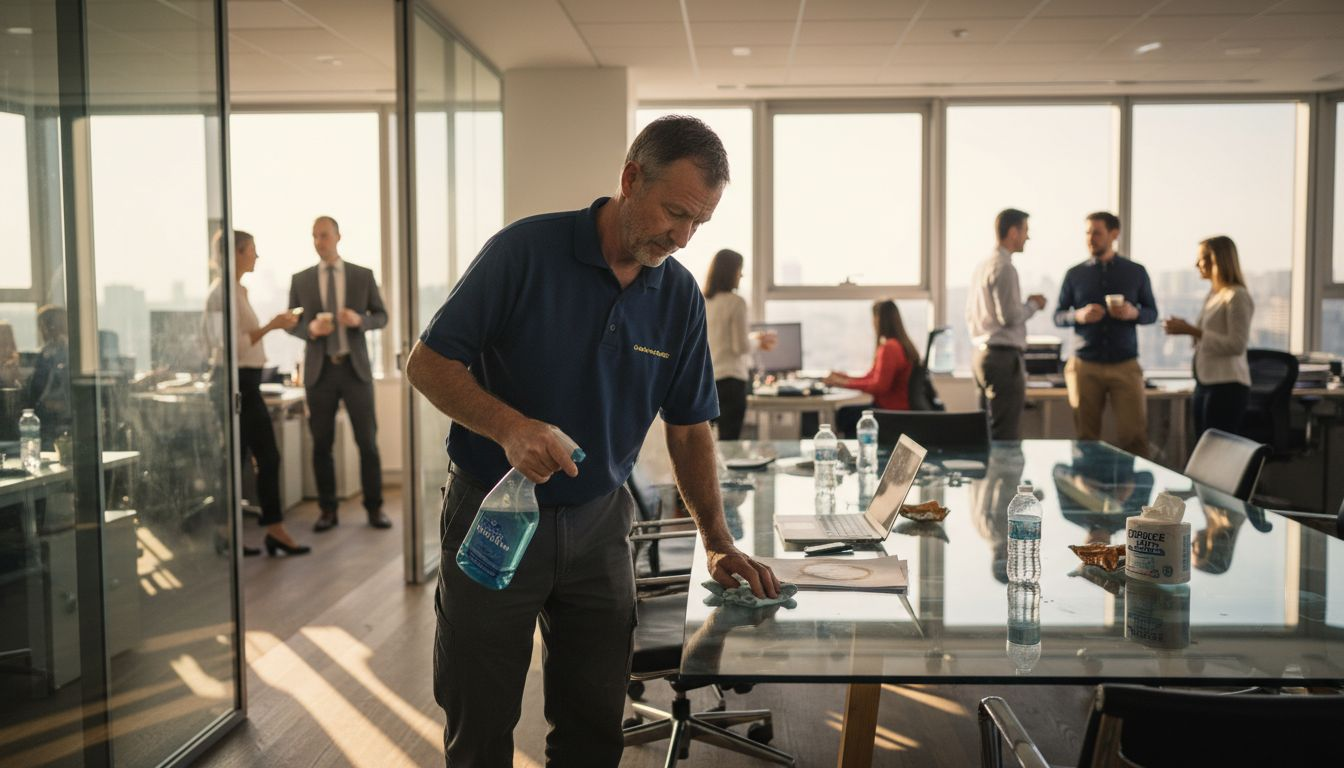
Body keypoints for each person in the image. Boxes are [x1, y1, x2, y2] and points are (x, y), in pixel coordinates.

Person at [404, 115, 780, 767]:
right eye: (674, 213)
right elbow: (427, 362)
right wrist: (508, 427)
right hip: (493, 515)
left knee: (593, 726)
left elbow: (690, 427)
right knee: (480, 719)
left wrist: (717, 543)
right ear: (631, 179)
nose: (683, 237)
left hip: (602, 527)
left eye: (700, 224)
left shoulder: (680, 297)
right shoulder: (523, 251)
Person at [209, 230, 310, 557]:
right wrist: (272, 325)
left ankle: (268, 529)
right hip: (233, 382)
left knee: (261, 457)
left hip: (248, 383)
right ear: (236, 254)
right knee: (244, 459)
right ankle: (244, 531)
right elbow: (228, 346)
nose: (256, 256)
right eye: (251, 250)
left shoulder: (238, 292)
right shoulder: (219, 295)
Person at [287, 216, 389, 532]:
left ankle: (374, 509)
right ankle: (327, 510)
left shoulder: (362, 275)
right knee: (321, 444)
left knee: (367, 443)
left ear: (338, 237)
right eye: (315, 236)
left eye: (325, 236)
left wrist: (360, 320)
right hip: (319, 372)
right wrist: (310, 330)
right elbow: (293, 324)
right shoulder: (300, 279)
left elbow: (382, 316)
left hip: (354, 369)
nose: (320, 242)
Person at [1054, 212, 1158, 457]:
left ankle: (1134, 496)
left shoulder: (1136, 272)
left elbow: (1152, 313)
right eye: (1088, 233)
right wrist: (1079, 316)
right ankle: (1088, 493)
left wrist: (1133, 313)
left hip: (1125, 365)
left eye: (1097, 232)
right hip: (1084, 366)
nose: (1091, 238)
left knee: (1134, 437)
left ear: (1114, 234)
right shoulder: (1074, 274)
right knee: (1086, 440)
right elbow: (1058, 316)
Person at [965, 208, 1048, 440]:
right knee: (1006, 435)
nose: (1027, 238)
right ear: (1013, 232)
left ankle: (989, 477)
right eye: (1025, 231)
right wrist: (1032, 305)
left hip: (982, 355)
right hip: (1002, 359)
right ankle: (1005, 478)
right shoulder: (1005, 268)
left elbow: (970, 313)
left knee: (985, 432)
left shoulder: (982, 267)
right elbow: (1010, 317)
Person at [1162, 236, 1253, 439]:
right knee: (1204, 448)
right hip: (1206, 383)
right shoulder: (1214, 295)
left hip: (1226, 386)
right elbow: (1208, 336)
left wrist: (1192, 331)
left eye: (1202, 258)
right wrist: (1188, 329)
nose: (1196, 264)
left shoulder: (1237, 296)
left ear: (1218, 260)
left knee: (1218, 452)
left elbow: (1236, 345)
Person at [702, 248, 774, 440]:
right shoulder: (736, 302)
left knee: (709, 441)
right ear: (730, 272)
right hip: (731, 381)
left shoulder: (703, 301)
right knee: (729, 443)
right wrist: (758, 340)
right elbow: (740, 346)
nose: (741, 275)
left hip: (707, 381)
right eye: (739, 269)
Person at [824, 299, 918, 412]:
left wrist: (843, 383)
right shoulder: (900, 344)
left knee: (843, 413)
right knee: (845, 412)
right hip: (897, 408)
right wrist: (844, 378)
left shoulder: (889, 348)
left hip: (891, 410)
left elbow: (879, 386)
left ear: (879, 320)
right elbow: (872, 377)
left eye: (874, 318)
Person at [25, 305, 69, 448]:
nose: (42, 332)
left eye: (43, 327)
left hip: (52, 415)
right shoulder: (48, 352)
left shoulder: (59, 352)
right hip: (45, 413)